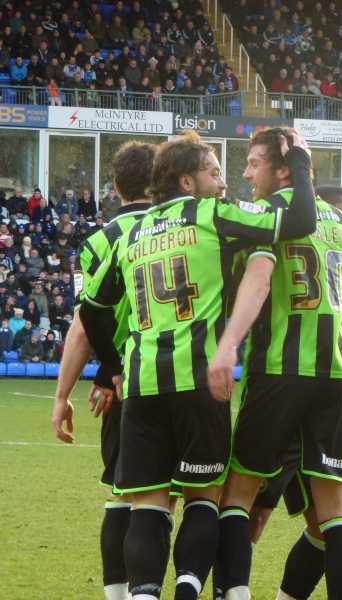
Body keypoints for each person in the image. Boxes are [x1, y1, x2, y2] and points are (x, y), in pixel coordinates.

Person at [79, 129, 317, 600]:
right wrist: (303, 163)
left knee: (147, 506)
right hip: (198, 381)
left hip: (143, 386)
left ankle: (144, 594)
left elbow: (91, 309)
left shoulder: (134, 230)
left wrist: (111, 367)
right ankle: (188, 589)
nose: (224, 182)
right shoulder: (212, 214)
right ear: (187, 182)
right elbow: (300, 219)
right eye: (214, 172)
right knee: (204, 498)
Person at [215, 186, 342, 600]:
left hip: (285, 384)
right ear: (324, 206)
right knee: (258, 513)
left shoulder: (336, 262)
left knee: (314, 525)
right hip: (316, 387)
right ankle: (228, 586)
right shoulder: (324, 235)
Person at [50, 141, 157, 600]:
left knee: (122, 495)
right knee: (190, 499)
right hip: (185, 381)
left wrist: (65, 394)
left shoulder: (100, 241)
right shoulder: (191, 226)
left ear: (114, 187)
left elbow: (84, 325)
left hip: (123, 382)